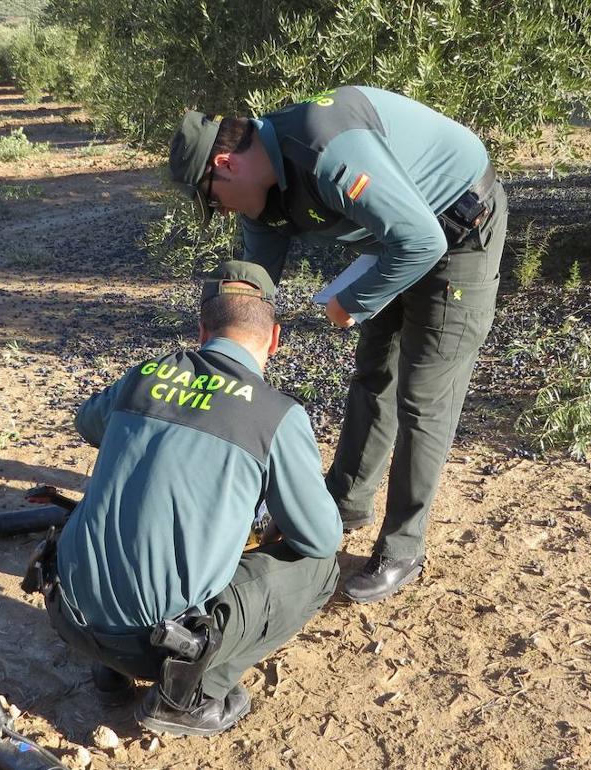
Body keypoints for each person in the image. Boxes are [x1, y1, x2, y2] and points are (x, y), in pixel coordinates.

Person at [169, 86, 508, 604]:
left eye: (211, 198)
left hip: (459, 230)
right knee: (375, 374)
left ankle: (403, 547)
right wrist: (219, 362)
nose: (220, 210)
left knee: (423, 397)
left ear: (226, 164)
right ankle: (345, 502)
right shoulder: (262, 197)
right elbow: (254, 292)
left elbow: (423, 241)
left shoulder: (326, 153)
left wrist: (352, 300)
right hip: (396, 237)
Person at [46, 260, 341, 737]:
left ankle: (109, 671)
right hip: (154, 645)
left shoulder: (144, 376)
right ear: (274, 339)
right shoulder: (276, 415)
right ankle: (188, 696)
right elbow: (321, 538)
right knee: (321, 568)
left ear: (202, 331)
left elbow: (88, 423)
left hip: (66, 613)